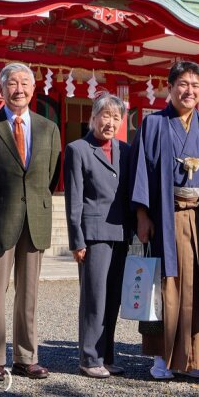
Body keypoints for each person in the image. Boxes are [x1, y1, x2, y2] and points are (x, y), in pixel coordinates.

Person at [130, 60, 199, 380]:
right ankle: (162, 357)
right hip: (166, 217)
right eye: (183, 84)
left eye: (195, 85)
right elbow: (139, 171)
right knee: (166, 286)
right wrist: (141, 215)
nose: (189, 91)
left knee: (196, 288)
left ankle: (194, 358)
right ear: (170, 88)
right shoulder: (153, 125)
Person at [0, 63, 62, 380]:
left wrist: (33, 202)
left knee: (29, 293)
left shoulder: (49, 128)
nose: (18, 89)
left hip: (35, 219)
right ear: (1, 90)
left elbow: (50, 176)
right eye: (11, 83)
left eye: (24, 83)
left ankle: (25, 357)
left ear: (33, 89)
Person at [64, 92, 132, 379]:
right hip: (93, 234)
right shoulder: (78, 149)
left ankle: (107, 355)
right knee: (94, 297)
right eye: (106, 116)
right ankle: (89, 357)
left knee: (113, 298)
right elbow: (74, 199)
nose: (111, 122)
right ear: (93, 117)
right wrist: (76, 240)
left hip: (121, 232)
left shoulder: (125, 151)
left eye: (117, 118)